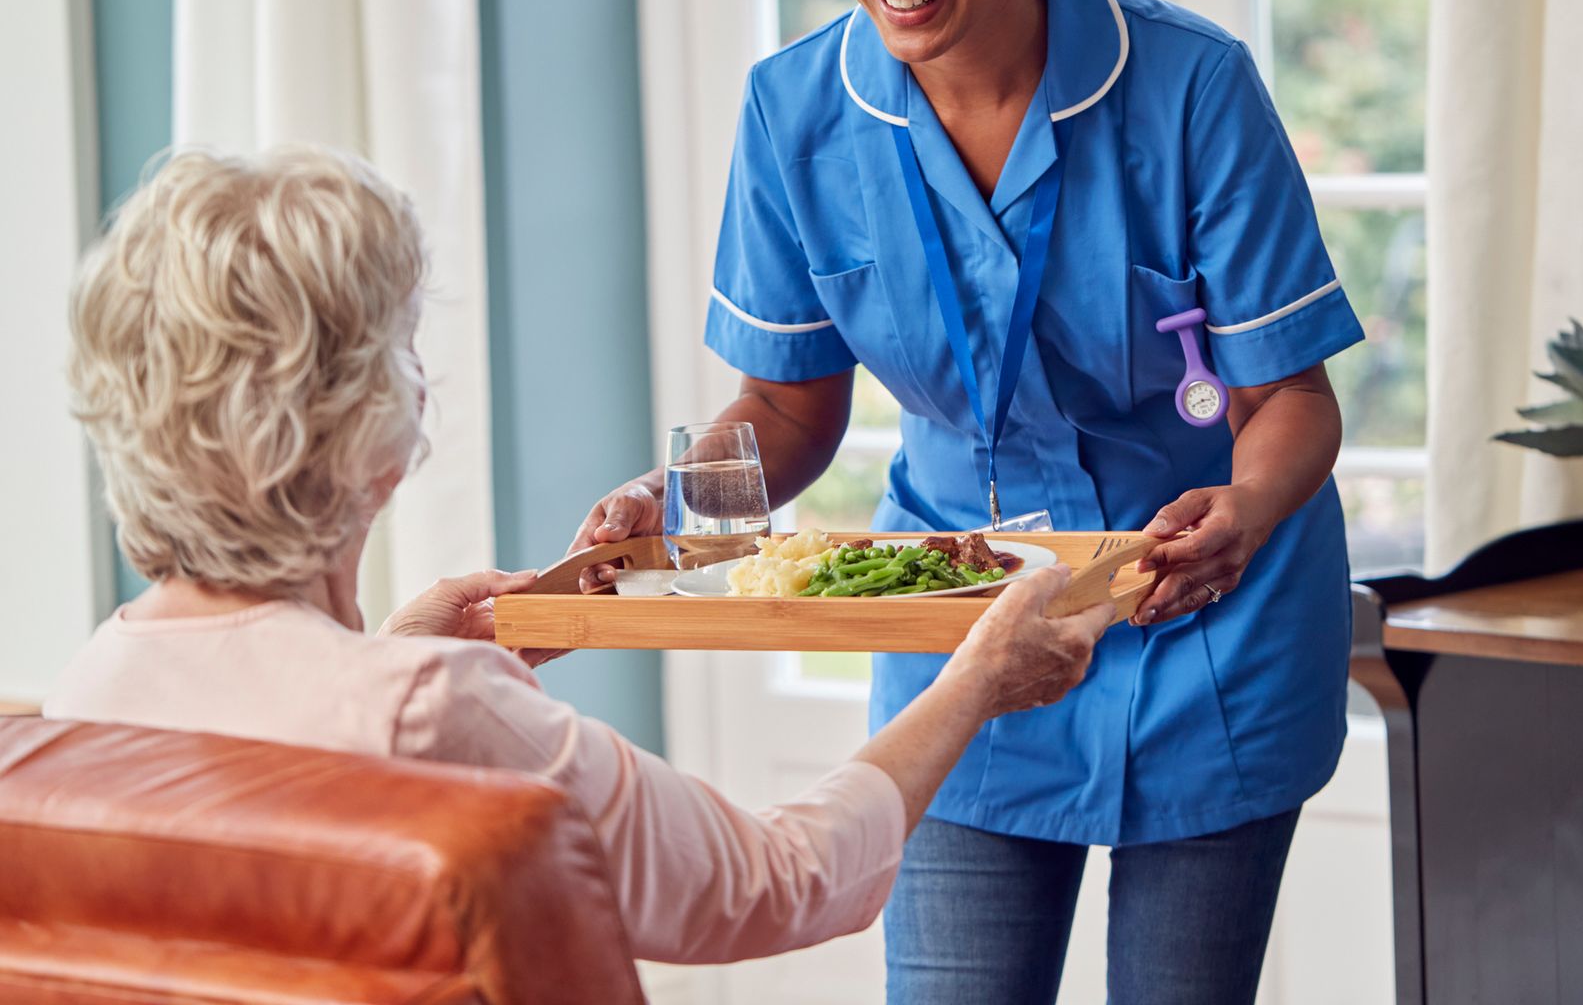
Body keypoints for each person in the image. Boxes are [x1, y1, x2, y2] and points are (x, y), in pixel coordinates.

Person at [570, 0, 1366, 1000]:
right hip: (965, 628)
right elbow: (785, 405)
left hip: (1204, 622)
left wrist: (1248, 507)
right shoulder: (796, 115)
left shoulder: (1192, 87)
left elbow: (1292, 402)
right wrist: (670, 503)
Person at [43, 145, 1110, 975]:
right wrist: (973, 681)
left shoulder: (92, 693)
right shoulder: (434, 711)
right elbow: (778, 880)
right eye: (402, 346)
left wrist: (387, 650)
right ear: (360, 423)